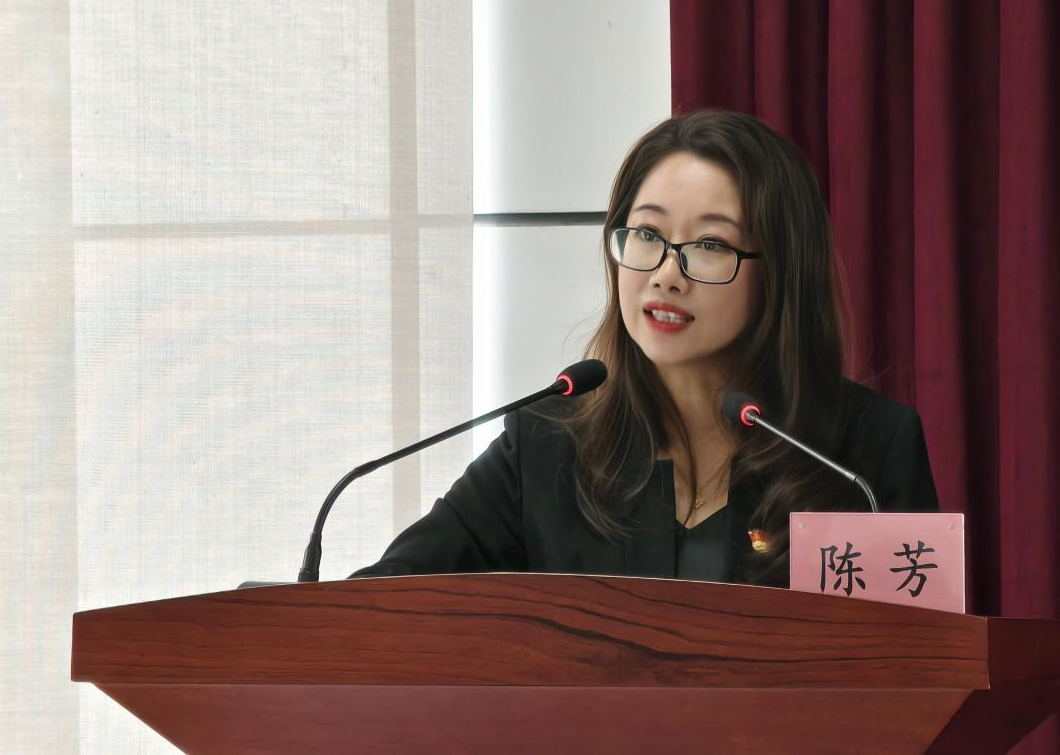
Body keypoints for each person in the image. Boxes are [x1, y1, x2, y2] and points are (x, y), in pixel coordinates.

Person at [354, 109, 938, 586]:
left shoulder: (865, 455)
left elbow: (921, 663)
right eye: (647, 234)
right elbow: (380, 605)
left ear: (781, 274)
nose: (665, 274)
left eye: (710, 244)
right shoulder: (544, 448)